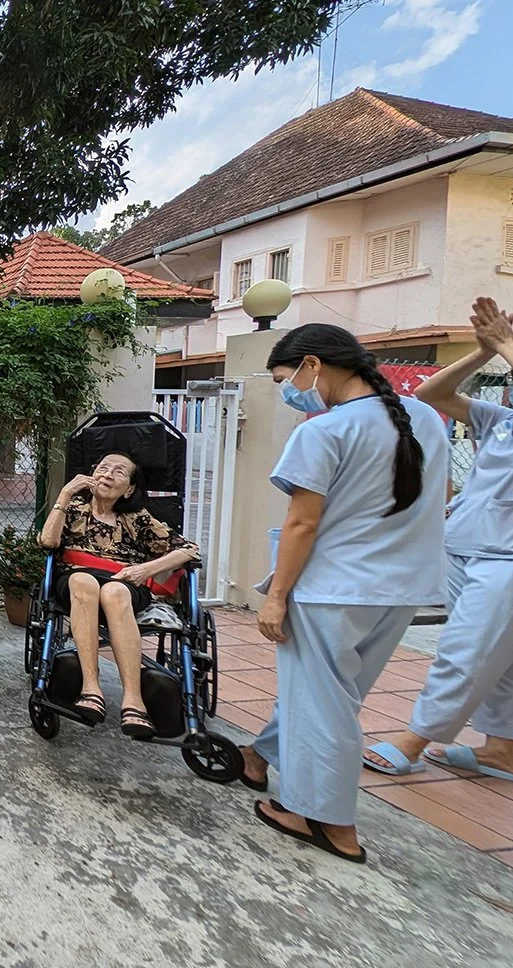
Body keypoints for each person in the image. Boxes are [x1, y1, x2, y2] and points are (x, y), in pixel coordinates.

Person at [241, 324, 449, 863]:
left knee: (326, 707)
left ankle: (332, 823)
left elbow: (302, 525)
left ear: (313, 365)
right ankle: (260, 756)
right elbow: (441, 496)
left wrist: (276, 596)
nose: (289, 393)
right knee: (330, 695)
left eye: (286, 380)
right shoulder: (423, 419)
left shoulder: (323, 431)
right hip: (403, 590)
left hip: (333, 589)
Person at [363, 298, 513, 781]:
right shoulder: (501, 420)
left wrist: (507, 344)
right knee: (500, 658)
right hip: (466, 546)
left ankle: (416, 738)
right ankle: (501, 749)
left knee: (466, 652)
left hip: (506, 560)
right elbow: (431, 393)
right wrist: (484, 352)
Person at [37, 452, 200, 737]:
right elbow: (48, 541)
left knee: (113, 591)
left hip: (124, 584)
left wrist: (145, 570)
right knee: (83, 581)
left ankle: (133, 701)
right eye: (103, 467)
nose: (108, 473)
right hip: (76, 584)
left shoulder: (137, 519)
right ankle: (90, 687)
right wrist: (66, 493)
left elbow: (189, 550)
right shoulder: (74, 507)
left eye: (119, 471)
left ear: (130, 488)